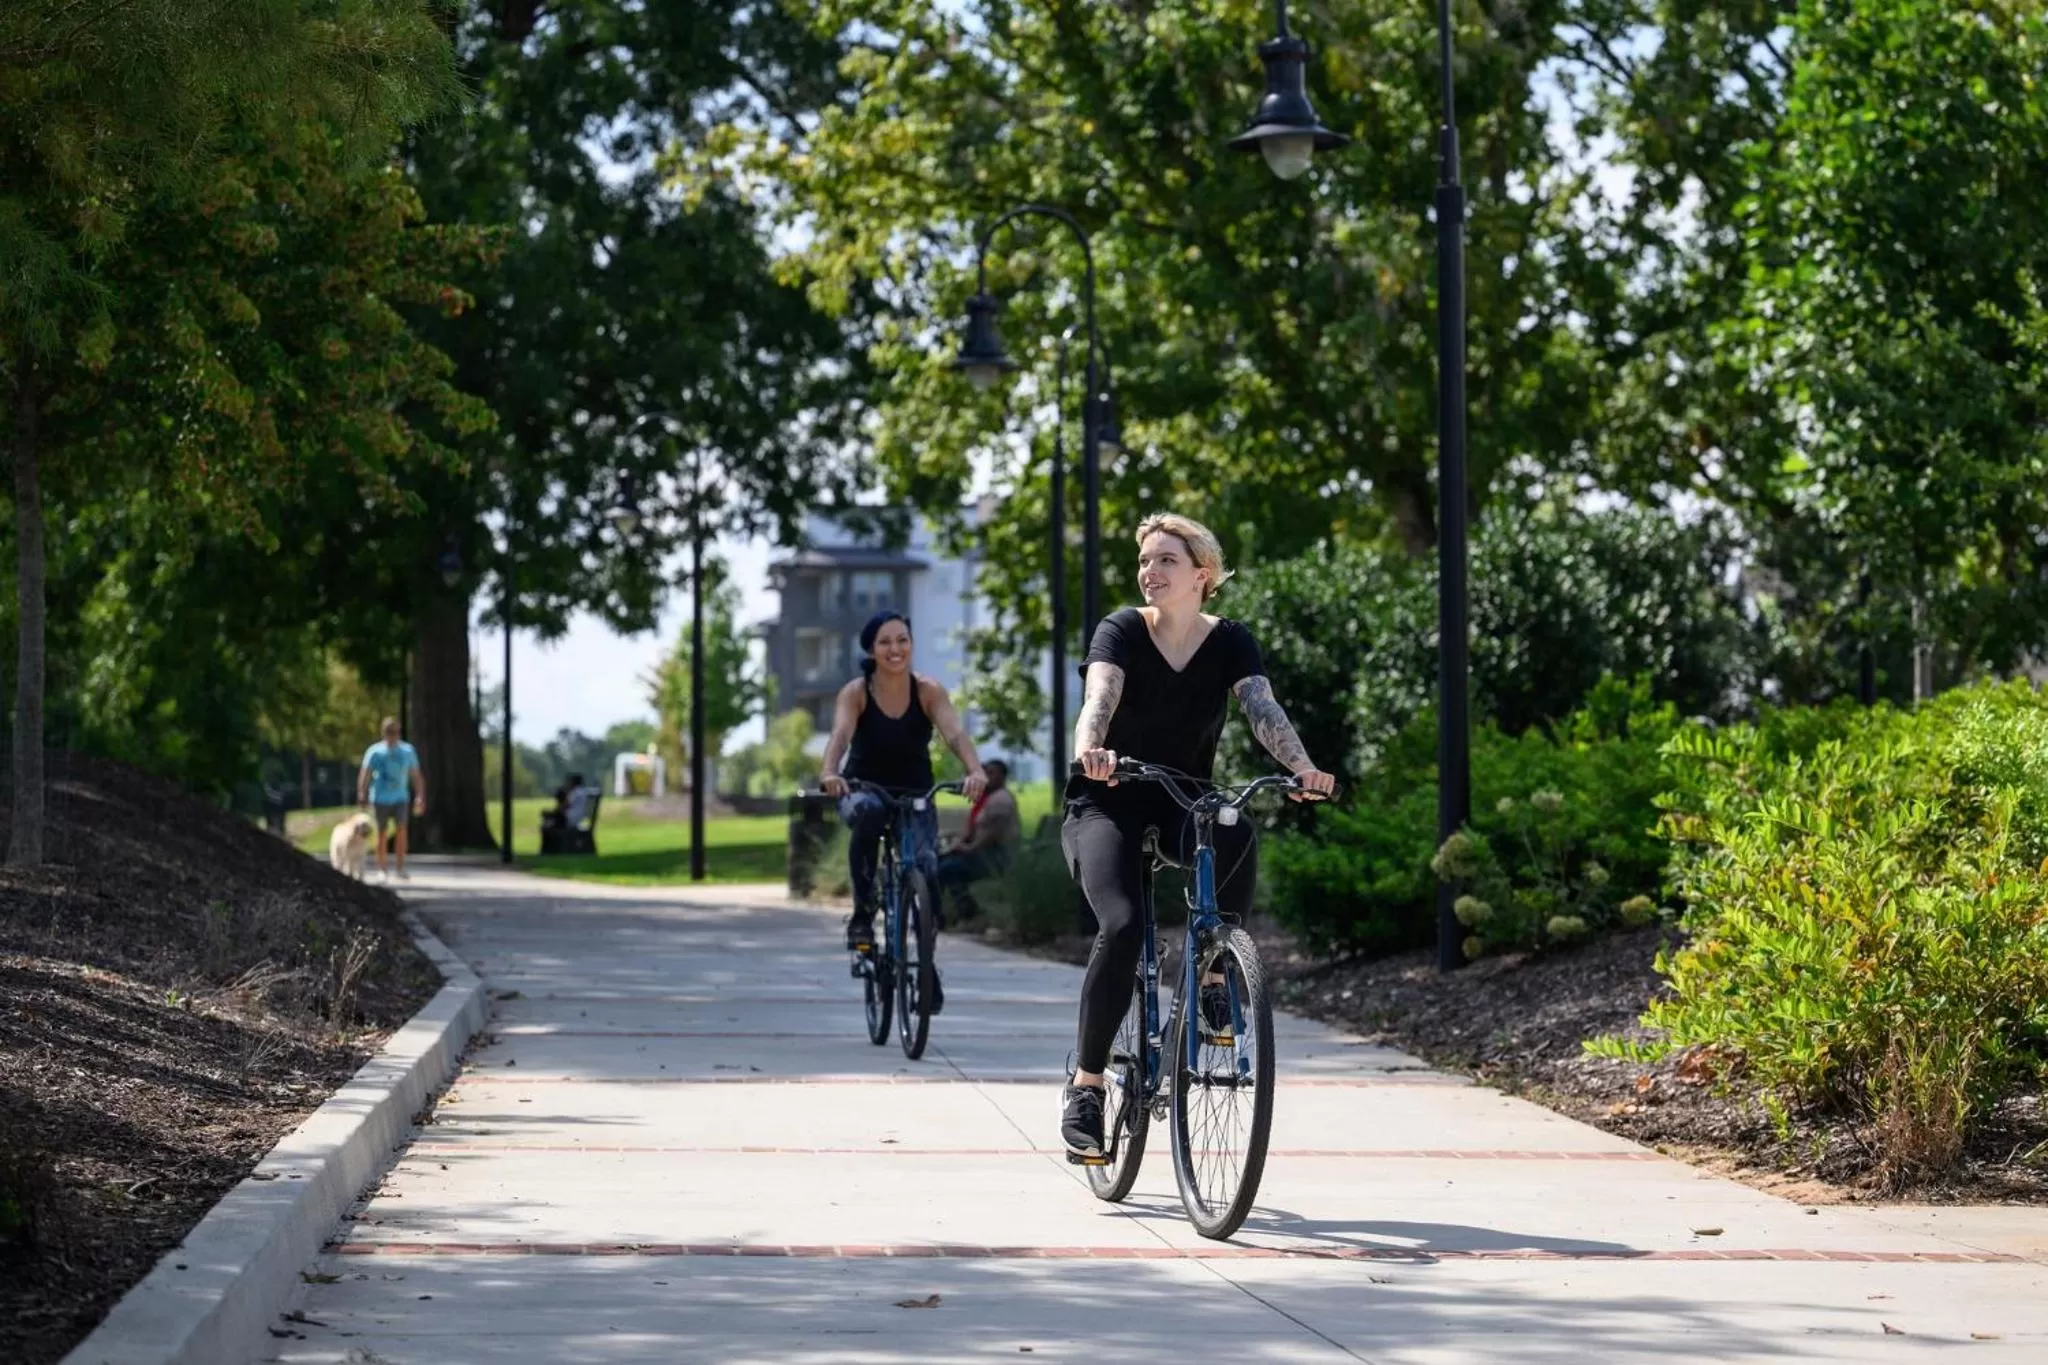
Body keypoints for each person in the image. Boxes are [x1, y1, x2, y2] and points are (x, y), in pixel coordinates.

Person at [1059, 513, 1335, 1162]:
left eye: (1166, 561)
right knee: (1124, 926)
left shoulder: (1230, 640)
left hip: (1183, 797)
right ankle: (1088, 1088)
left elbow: (1262, 709)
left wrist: (1302, 768)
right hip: (1108, 799)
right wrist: (1091, 749)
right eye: (1145, 560)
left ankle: (1213, 970)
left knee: (1235, 824)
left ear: (1201, 575)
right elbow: (1100, 696)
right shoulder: (1122, 629)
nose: (1149, 571)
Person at [819, 610, 988, 952]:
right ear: (871, 650)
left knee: (926, 865)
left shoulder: (928, 691)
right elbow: (840, 736)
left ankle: (926, 961)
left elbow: (954, 735)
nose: (895, 649)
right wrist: (829, 773)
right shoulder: (856, 693)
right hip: (863, 788)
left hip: (915, 790)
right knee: (868, 814)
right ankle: (863, 916)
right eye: (885, 642)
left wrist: (975, 770)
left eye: (902, 640)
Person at [934, 757, 1020, 917]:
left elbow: (991, 835)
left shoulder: (1001, 800)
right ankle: (940, 912)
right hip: (983, 854)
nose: (987, 776)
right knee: (939, 864)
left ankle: (967, 912)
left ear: (1002, 776)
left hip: (995, 858)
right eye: (985, 773)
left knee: (947, 869)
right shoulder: (987, 798)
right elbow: (971, 829)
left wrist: (968, 848)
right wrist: (958, 845)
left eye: (991, 773)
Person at [357, 717, 426, 883]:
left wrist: (420, 795)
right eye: (389, 732)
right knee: (381, 832)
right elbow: (365, 773)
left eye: (395, 732)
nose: (392, 735)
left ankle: (400, 868)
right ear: (383, 733)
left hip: (401, 797)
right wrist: (362, 793)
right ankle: (382, 869)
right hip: (380, 797)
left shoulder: (407, 751)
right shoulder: (375, 752)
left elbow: (416, 775)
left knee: (402, 830)